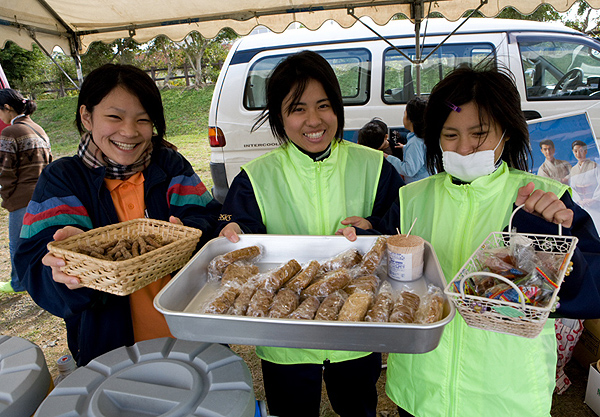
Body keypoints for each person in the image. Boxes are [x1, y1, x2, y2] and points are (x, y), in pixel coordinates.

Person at [339, 65, 600, 417]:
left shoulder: (546, 199)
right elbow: (390, 264)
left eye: (479, 134)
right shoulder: (410, 198)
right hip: (421, 386)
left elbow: (588, 292)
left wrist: (555, 242)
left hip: (504, 393)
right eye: (450, 135)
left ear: (506, 132)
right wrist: (364, 238)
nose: (463, 148)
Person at [218, 50, 404, 417]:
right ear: (279, 116)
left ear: (337, 108)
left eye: (323, 106)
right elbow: (245, 236)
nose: (314, 120)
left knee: (358, 409)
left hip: (355, 329)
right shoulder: (256, 176)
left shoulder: (376, 166)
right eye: (297, 108)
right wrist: (233, 231)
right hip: (284, 335)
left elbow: (399, 229)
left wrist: (372, 228)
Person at [15, 64, 221, 366]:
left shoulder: (169, 165)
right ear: (87, 116)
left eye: (143, 119)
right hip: (112, 351)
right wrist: (65, 271)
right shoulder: (64, 179)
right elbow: (36, 266)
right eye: (114, 117)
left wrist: (191, 232)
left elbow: (207, 218)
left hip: (193, 337)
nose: (129, 131)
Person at [0, 89, 52, 293]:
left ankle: (18, 283)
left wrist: (7, 196)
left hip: (21, 197)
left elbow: (5, 170)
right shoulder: (38, 128)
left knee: (18, 244)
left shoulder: (9, 132)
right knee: (41, 240)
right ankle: (43, 279)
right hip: (43, 194)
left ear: (7, 108)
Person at [387, 96, 429, 183]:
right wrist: (406, 147)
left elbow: (409, 170)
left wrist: (389, 158)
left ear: (411, 119)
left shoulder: (415, 143)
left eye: (404, 114)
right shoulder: (424, 138)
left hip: (417, 187)